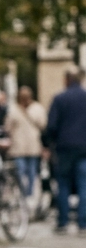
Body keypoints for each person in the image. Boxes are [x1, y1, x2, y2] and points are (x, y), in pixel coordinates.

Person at [43, 64, 86, 234]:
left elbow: (51, 126)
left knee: (63, 184)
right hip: (83, 147)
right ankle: (83, 222)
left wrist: (48, 143)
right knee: (84, 185)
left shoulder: (60, 98)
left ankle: (63, 221)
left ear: (67, 79)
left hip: (65, 147)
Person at [5, 86, 46, 198]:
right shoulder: (14, 109)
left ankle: (29, 193)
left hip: (31, 145)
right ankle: (23, 193)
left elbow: (42, 124)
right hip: (20, 145)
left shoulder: (36, 108)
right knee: (21, 171)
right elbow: (8, 126)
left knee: (31, 172)